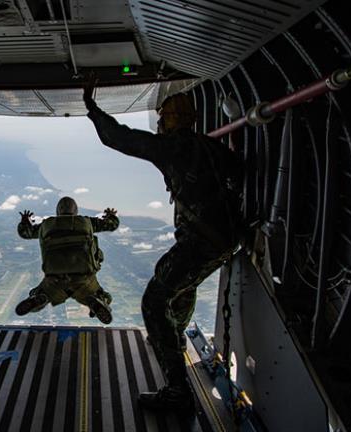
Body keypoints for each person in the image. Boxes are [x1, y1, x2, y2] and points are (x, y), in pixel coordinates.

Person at [84, 84, 243, 411]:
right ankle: (173, 336)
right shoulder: (212, 147)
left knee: (154, 300)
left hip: (202, 240)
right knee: (183, 287)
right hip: (226, 239)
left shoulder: (174, 146)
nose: (159, 125)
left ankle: (177, 390)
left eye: (162, 120)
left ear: (171, 121)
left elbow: (121, 138)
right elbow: (238, 174)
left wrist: (92, 108)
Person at [15, 197, 119, 324]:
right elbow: (112, 225)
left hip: (54, 278)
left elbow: (25, 233)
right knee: (105, 296)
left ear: (58, 210)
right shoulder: (87, 222)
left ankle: (39, 298)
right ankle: (98, 300)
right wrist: (111, 216)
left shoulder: (46, 225)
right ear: (75, 210)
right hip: (84, 278)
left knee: (39, 294)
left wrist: (25, 221)